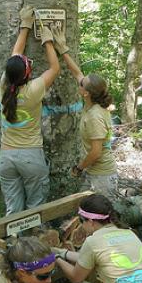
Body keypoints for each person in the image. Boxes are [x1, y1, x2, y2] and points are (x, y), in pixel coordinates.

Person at [0, 6, 60, 215]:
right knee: (35, 209)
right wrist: (48, 40)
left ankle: (13, 242)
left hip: (6, 158)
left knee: (13, 211)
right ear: (27, 74)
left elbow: (15, 55)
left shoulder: (5, 85)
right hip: (31, 157)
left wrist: (25, 25)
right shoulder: (34, 90)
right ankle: (33, 243)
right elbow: (54, 68)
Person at [50, 25, 117, 199]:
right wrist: (63, 48)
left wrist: (79, 168)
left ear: (85, 92)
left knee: (102, 216)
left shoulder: (95, 116)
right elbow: (77, 73)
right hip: (96, 171)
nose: (79, 81)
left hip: (102, 175)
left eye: (82, 83)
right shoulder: (93, 102)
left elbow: (96, 152)